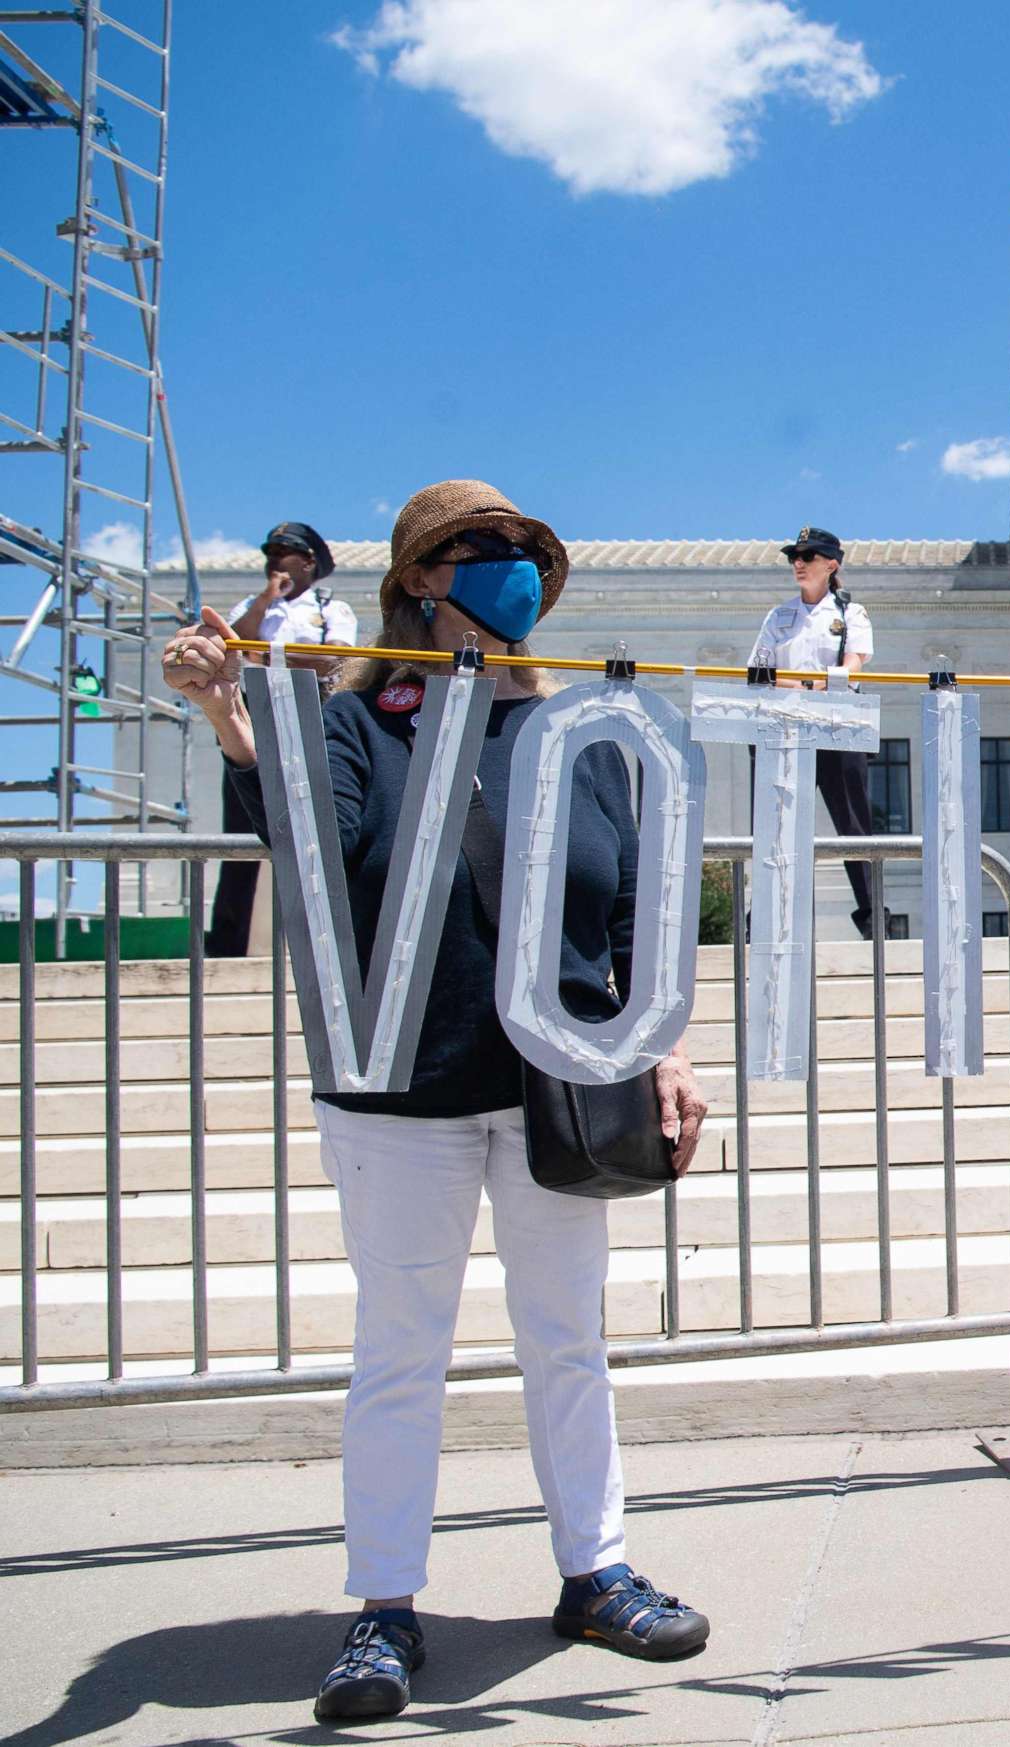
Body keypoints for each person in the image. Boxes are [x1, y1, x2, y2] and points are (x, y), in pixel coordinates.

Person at [160, 480, 714, 1723]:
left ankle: (596, 1570)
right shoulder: (358, 729)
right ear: (421, 578)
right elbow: (318, 843)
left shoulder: (578, 733)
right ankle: (383, 1606)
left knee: (568, 1341)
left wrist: (659, 1044)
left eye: (525, 550)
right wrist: (228, 716)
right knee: (401, 1355)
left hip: (557, 1091)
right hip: (400, 1086)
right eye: (483, 550)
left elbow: (624, 909)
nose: (511, 568)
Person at [207, 522, 356, 957]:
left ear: (309, 560)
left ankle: (329, 941)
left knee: (321, 829)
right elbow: (231, 645)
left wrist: (261, 653)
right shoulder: (255, 607)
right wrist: (267, 598)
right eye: (269, 550)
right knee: (242, 830)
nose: (273, 558)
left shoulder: (331, 609)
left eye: (285, 550)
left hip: (312, 717)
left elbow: (332, 660)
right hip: (254, 721)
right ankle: (229, 945)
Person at [750, 526, 879, 936]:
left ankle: (874, 916)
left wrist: (806, 683)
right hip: (787, 727)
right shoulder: (779, 615)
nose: (799, 564)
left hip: (838, 726)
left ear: (832, 564)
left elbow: (855, 663)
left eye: (808, 556)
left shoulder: (848, 613)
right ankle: (765, 917)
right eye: (794, 557)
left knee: (855, 826)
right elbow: (759, 670)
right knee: (778, 825)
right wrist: (811, 684)